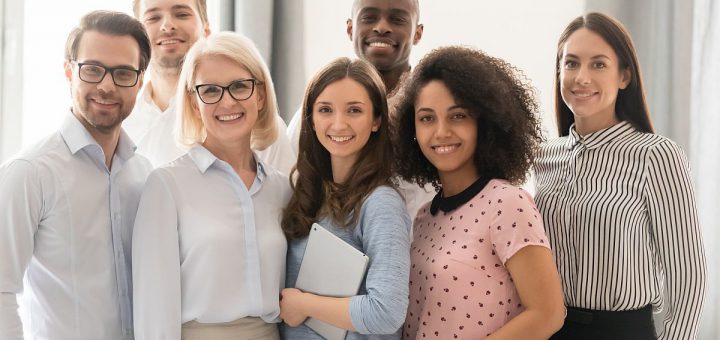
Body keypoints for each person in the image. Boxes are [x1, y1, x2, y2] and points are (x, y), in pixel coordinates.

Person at [534, 12, 707, 340]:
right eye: (571, 63)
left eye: (598, 64)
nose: (581, 77)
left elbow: (689, 280)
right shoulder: (543, 157)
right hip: (552, 330)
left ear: (624, 76)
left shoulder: (656, 156)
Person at [393, 46, 565, 340]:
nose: (441, 131)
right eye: (427, 118)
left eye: (457, 116)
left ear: (483, 122)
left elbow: (548, 313)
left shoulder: (507, 203)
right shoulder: (425, 217)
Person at [0, 10, 152, 339]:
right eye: (93, 70)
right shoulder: (29, 173)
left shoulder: (145, 176)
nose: (107, 86)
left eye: (123, 73)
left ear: (140, 81)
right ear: (69, 71)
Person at [131, 32, 290, 339]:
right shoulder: (167, 186)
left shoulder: (281, 189)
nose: (227, 101)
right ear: (193, 102)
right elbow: (153, 311)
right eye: (210, 90)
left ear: (260, 95)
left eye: (240, 86)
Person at [280, 57, 411, 339]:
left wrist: (304, 304)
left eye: (354, 110)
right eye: (325, 110)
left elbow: (386, 312)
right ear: (311, 119)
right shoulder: (307, 193)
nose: (338, 124)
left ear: (376, 120)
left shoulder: (381, 203)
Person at [288, 0, 431, 222]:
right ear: (350, 28)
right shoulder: (313, 117)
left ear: (418, 33)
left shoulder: (431, 115)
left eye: (397, 19)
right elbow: (293, 190)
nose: (382, 27)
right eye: (369, 17)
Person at [125, 0, 296, 172]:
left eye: (182, 14)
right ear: (136, 40)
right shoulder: (121, 121)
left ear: (206, 30)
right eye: (153, 18)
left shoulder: (253, 122)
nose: (167, 26)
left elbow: (284, 195)